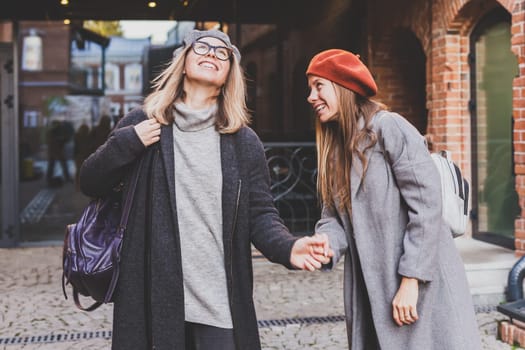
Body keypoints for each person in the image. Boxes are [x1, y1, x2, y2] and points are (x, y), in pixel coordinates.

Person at [79, 29, 332, 350]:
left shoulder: (243, 142)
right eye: (202, 47)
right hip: (152, 299)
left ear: (229, 75)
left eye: (222, 52)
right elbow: (90, 181)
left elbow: (261, 215)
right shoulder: (144, 122)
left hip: (218, 300)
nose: (212, 53)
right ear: (183, 62)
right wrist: (129, 141)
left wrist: (288, 248)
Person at [306, 49, 482, 349]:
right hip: (370, 288)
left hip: (417, 282)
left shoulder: (389, 127)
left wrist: (411, 280)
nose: (311, 96)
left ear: (344, 87)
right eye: (310, 88)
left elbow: (426, 206)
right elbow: (333, 219)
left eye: (318, 85)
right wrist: (324, 244)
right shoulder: (335, 150)